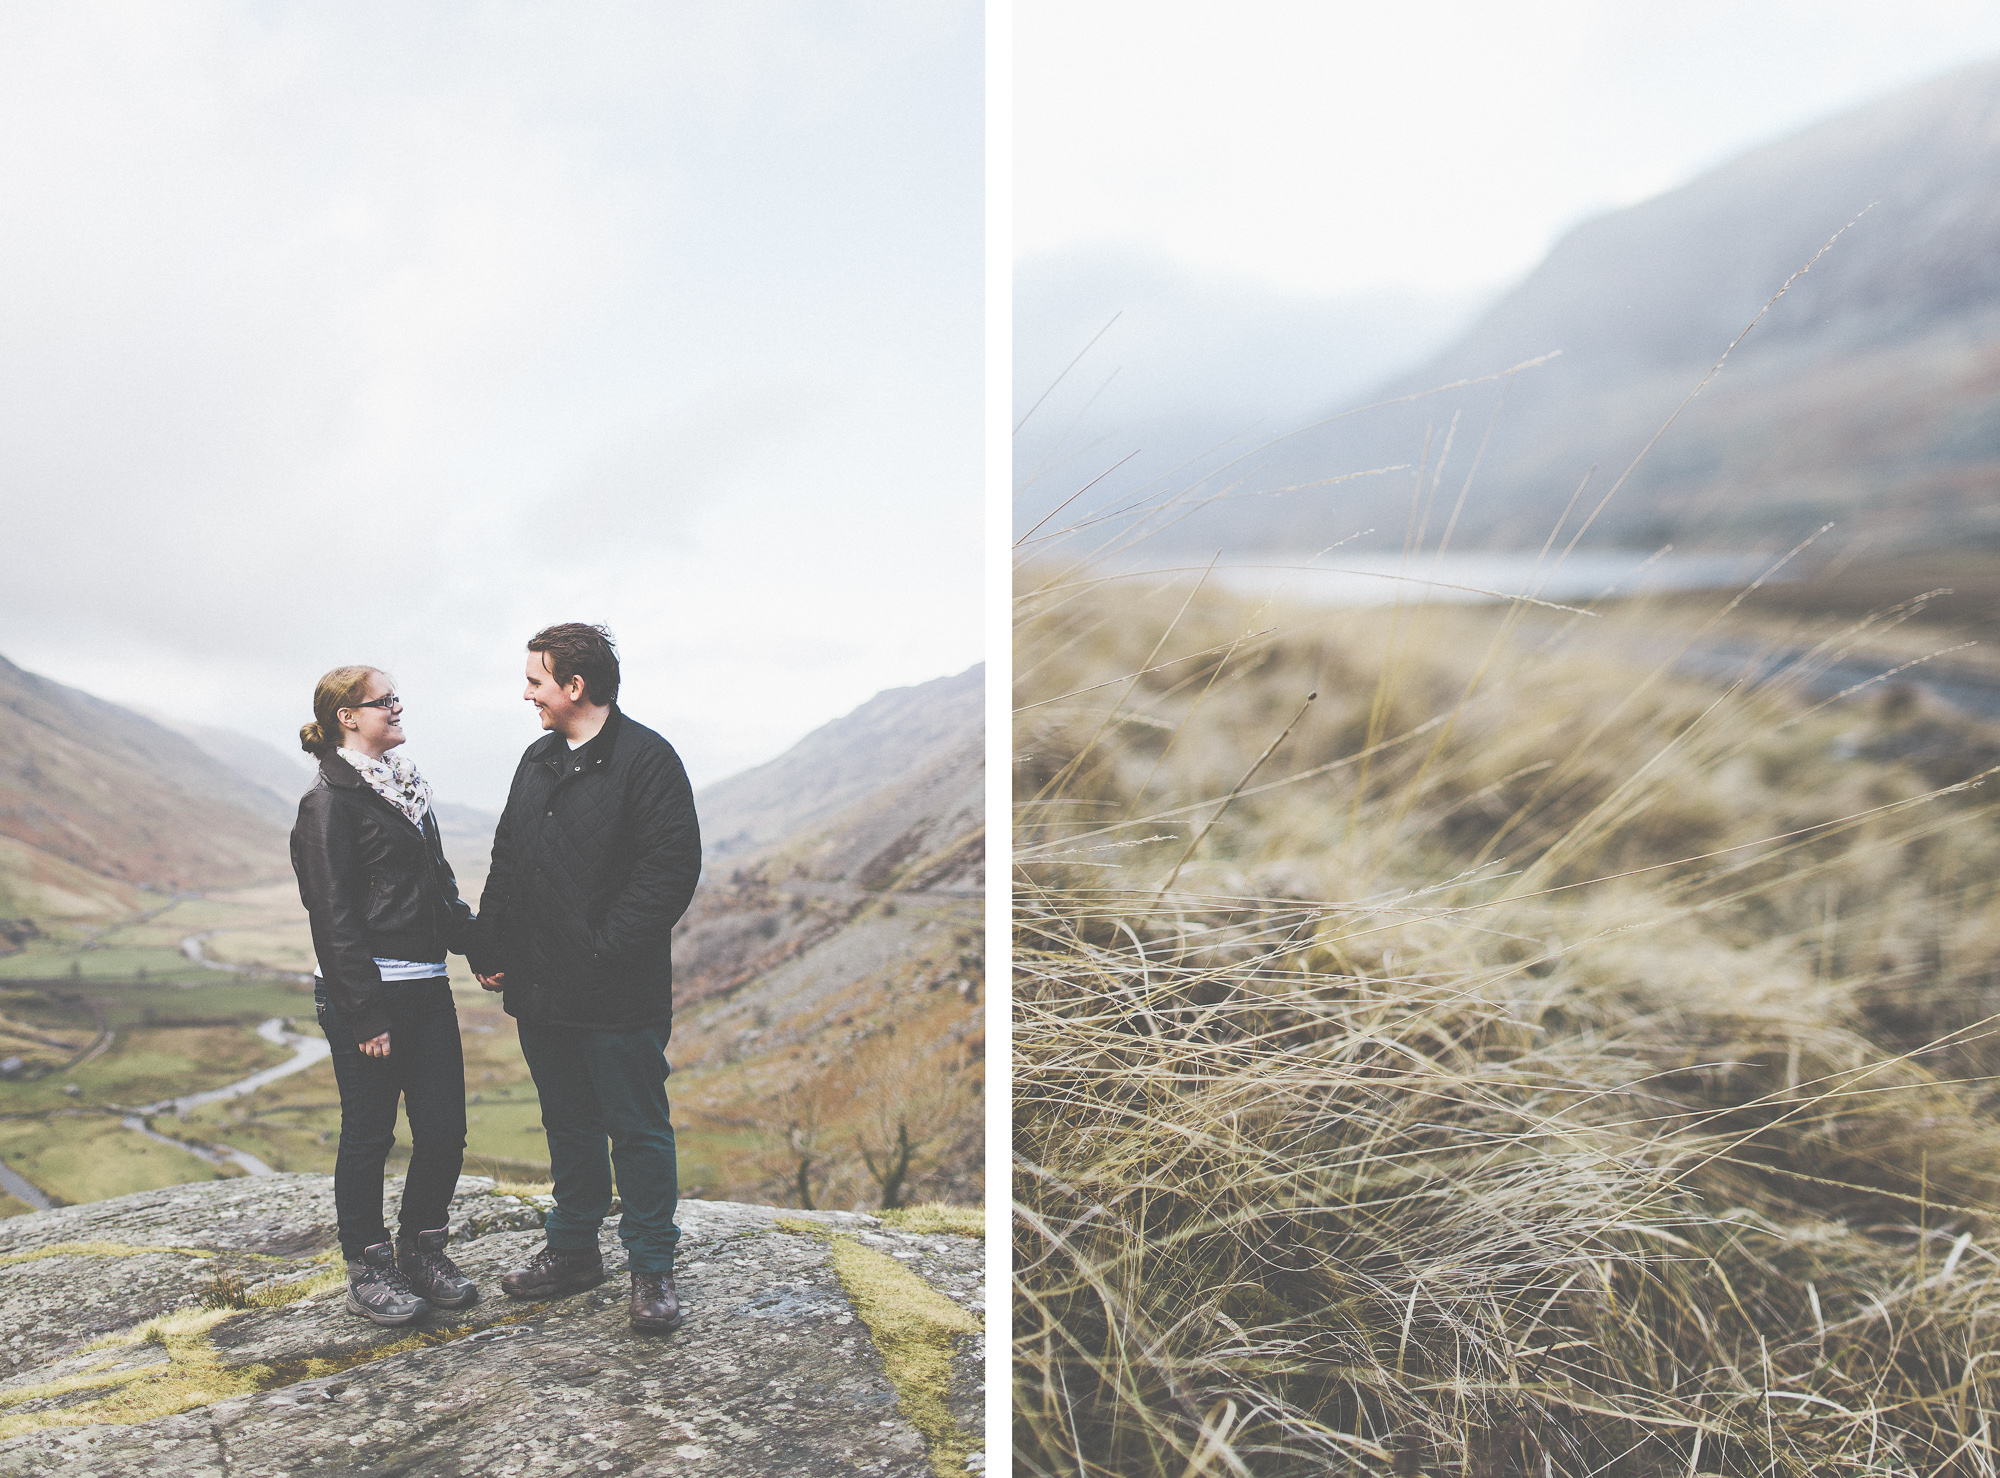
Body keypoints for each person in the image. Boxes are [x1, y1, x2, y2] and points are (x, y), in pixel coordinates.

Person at [470, 623, 701, 1335]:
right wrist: (491, 941)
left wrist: (602, 949)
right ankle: (572, 1253)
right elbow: (509, 857)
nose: (528, 693)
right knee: (567, 1124)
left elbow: (669, 874)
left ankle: (652, 1269)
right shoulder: (536, 761)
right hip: (541, 990)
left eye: (537, 680)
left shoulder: (648, 760)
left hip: (615, 991)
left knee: (636, 1129)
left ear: (575, 686)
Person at [291, 666, 480, 1326]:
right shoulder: (329, 803)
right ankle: (369, 1265)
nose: (398, 708)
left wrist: (476, 950)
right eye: (385, 701)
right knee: (370, 1133)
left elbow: (438, 884)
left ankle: (423, 1250)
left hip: (426, 984)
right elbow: (332, 912)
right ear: (348, 716)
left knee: (444, 1131)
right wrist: (363, 1010)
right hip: (365, 994)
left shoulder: (407, 788)